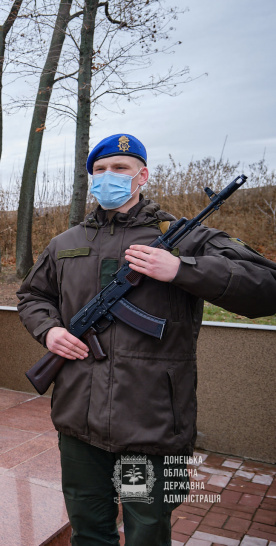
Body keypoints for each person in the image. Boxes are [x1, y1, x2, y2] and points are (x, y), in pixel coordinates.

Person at [16, 134, 276, 546]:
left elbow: (267, 286)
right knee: (89, 531)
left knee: (147, 533)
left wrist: (182, 269)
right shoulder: (66, 243)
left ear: (143, 176)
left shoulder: (187, 238)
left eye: (120, 168)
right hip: (78, 421)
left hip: (152, 426)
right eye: (100, 170)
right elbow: (33, 296)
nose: (109, 176)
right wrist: (49, 330)